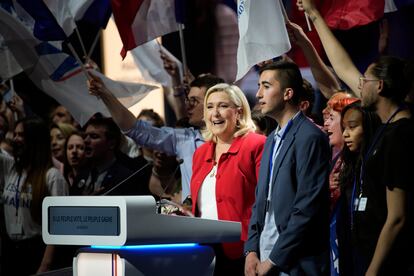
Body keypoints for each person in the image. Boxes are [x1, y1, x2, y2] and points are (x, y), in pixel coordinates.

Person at [298, 0, 414, 274]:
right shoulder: (382, 125)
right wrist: (314, 16)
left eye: (367, 81)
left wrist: (373, 270)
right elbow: (342, 67)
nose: (360, 83)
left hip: (390, 263)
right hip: (366, 253)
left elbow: (397, 217)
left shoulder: (402, 134)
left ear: (381, 86)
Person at [244, 61, 331, 276]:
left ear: (287, 93)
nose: (258, 94)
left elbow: (307, 207)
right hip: (264, 257)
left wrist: (274, 259)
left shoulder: (310, 137)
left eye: (266, 86)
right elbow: (260, 200)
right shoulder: (272, 138)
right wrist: (251, 251)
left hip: (294, 263)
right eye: (258, 86)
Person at [87, 73, 224, 202]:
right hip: (197, 224)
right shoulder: (184, 139)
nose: (188, 105)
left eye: (194, 101)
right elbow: (135, 129)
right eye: (188, 99)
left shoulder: (240, 141)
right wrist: (105, 94)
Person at [190, 83, 266, 275]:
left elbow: (265, 201)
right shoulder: (201, 153)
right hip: (203, 251)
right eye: (210, 106)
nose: (215, 113)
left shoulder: (256, 145)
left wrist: (253, 249)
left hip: (243, 251)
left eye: (223, 106)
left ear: (238, 112)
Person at [0, 117, 69, 275]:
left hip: (37, 252)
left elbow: (59, 226)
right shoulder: (10, 168)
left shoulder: (52, 177)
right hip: (10, 250)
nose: (15, 139)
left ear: (35, 140)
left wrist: (45, 265)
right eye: (15, 134)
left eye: (21, 135)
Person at [70, 117, 150, 196]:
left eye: (94, 136)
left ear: (111, 144)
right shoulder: (82, 173)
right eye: (85, 136)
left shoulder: (126, 178)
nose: (86, 141)